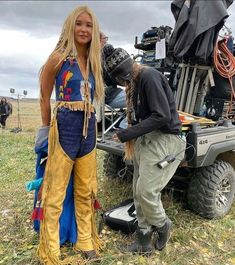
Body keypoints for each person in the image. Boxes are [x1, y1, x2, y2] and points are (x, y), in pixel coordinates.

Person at [37, 5, 104, 264]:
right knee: (55, 192)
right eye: (79, 24)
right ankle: (50, 249)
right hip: (64, 127)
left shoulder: (94, 61)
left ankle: (85, 240)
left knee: (86, 189)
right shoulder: (58, 58)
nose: (84, 29)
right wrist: (44, 134)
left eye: (88, 24)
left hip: (89, 131)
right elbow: (44, 97)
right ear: (70, 26)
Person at [104, 47, 186, 254]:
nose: (122, 86)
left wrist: (127, 134)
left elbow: (162, 116)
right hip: (146, 140)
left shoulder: (149, 77)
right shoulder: (137, 81)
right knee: (138, 192)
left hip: (164, 139)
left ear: (124, 76)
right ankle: (143, 242)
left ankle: (162, 224)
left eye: (121, 81)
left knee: (146, 191)